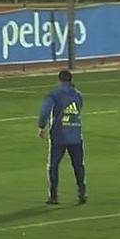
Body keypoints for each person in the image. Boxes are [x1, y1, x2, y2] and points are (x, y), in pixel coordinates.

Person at [37, 69, 86, 205]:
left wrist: (41, 127)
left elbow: (45, 111)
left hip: (59, 135)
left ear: (59, 80)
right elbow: (79, 107)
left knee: (53, 166)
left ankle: (54, 196)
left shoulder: (54, 94)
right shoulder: (78, 94)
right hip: (76, 135)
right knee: (78, 165)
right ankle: (82, 193)